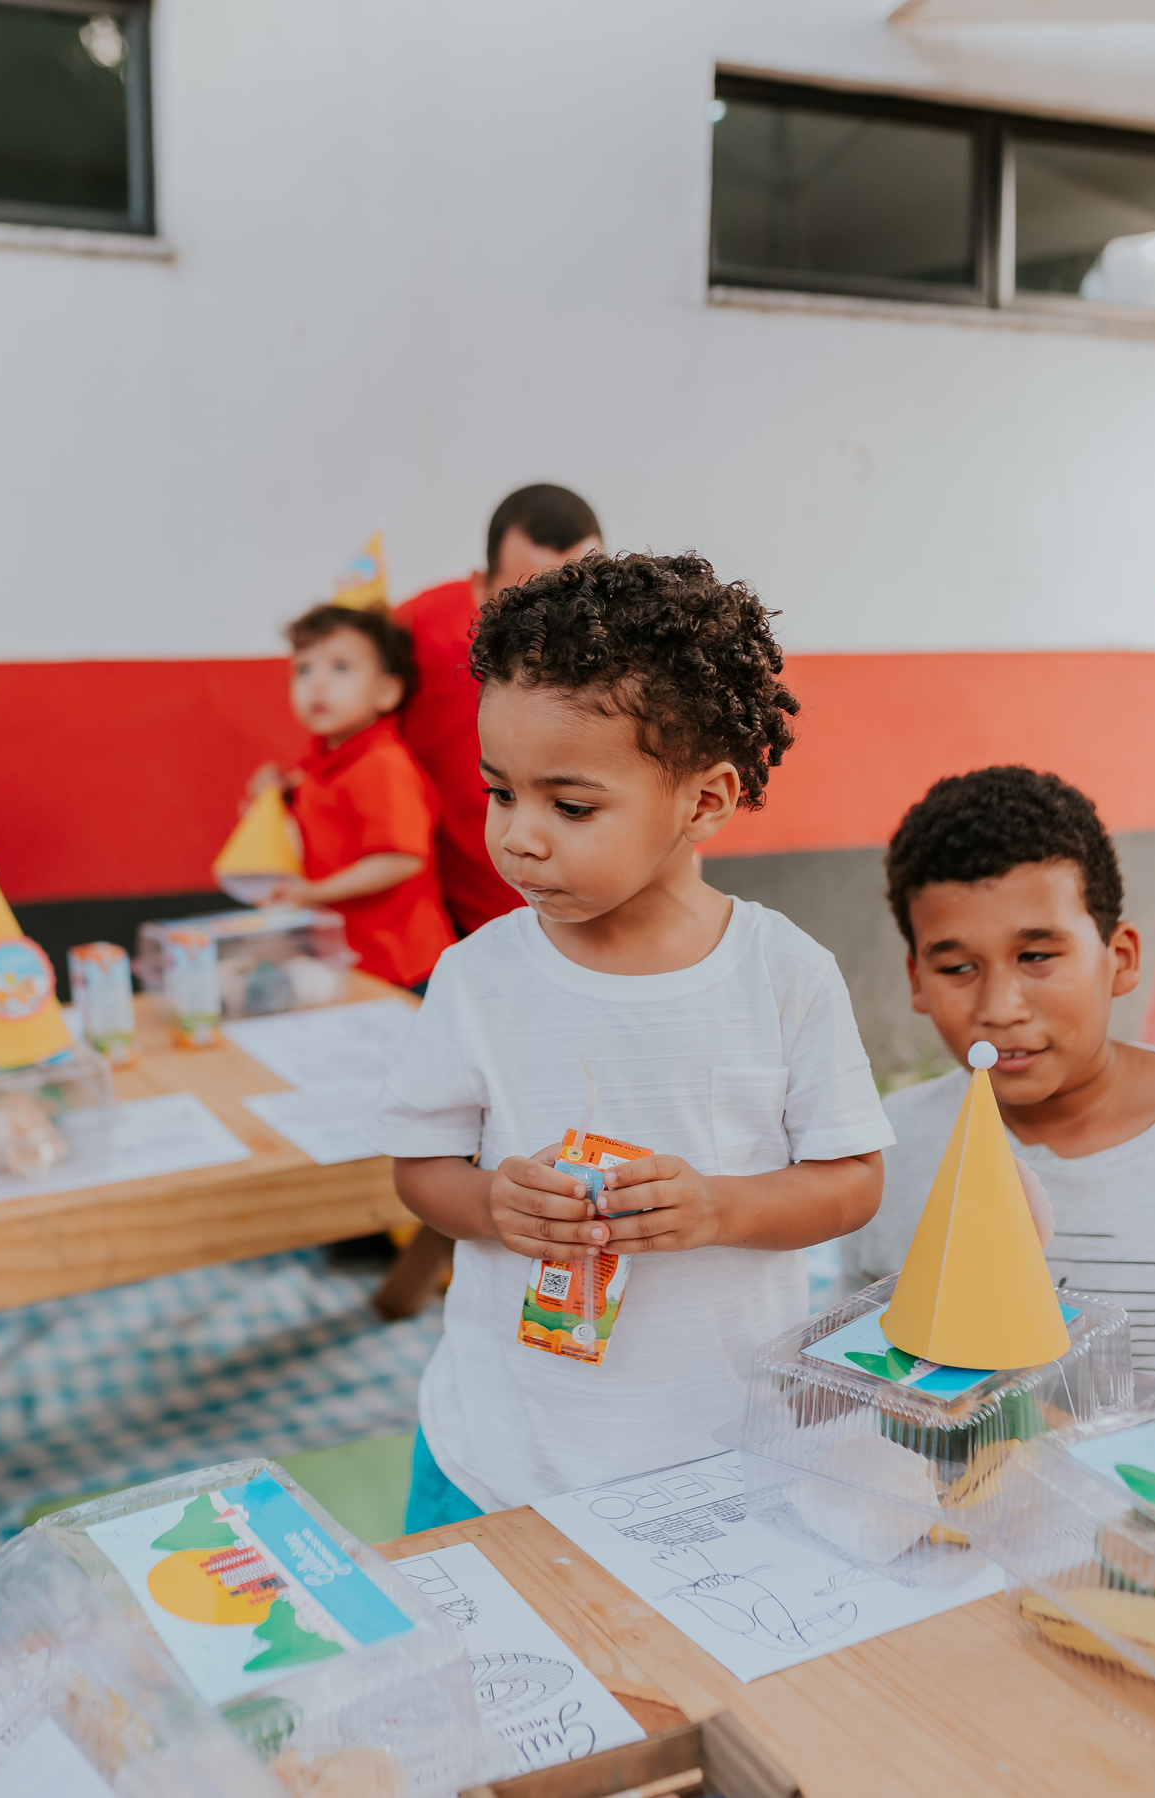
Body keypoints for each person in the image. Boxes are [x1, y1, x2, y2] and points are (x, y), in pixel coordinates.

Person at [368, 550, 894, 1529]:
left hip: (716, 1451)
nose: (521, 836)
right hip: (495, 1452)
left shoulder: (783, 976)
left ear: (704, 800)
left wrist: (717, 1208)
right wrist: (491, 1200)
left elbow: (852, 1177)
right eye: (498, 792)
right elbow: (419, 1167)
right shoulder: (479, 975)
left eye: (570, 805)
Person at [841, 766, 1155, 1374]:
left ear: (1119, 960)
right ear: (916, 980)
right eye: (957, 968)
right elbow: (859, 1369)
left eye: (1037, 956)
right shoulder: (879, 1151)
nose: (998, 1008)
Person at [394, 484, 602, 937]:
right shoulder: (420, 627)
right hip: (455, 912)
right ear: (486, 578)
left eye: (570, 595)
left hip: (580, 909)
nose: (549, 618)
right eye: (528, 596)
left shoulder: (607, 638)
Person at [252, 603, 455, 992]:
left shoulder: (383, 764)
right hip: (354, 962)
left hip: (404, 968)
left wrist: (311, 894)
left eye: (340, 668)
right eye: (304, 669)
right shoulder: (319, 766)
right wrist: (274, 797)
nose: (318, 684)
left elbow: (401, 859)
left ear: (386, 691)